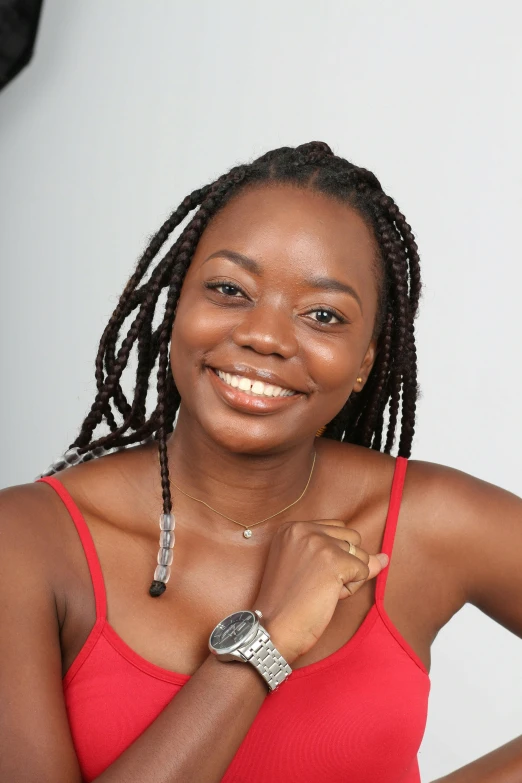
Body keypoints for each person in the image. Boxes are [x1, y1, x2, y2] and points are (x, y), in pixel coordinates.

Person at [1, 141, 521, 783]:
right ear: (176, 307)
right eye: (228, 289)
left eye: (323, 315)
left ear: (366, 361)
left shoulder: (426, 523)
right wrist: (264, 642)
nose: (265, 337)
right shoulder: (25, 542)